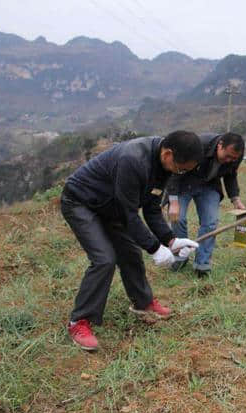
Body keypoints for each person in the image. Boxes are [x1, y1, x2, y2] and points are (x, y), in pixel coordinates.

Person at [61, 131, 203, 351]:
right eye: (181, 168)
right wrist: (155, 248)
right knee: (104, 259)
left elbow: (152, 208)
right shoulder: (133, 159)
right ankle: (79, 321)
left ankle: (143, 303)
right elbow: (129, 214)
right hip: (81, 202)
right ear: (168, 153)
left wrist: (171, 240)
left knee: (130, 253)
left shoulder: (164, 167)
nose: (181, 172)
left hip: (111, 207)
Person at [166, 132, 246, 277]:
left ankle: (202, 264)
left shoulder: (236, 155)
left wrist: (235, 199)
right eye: (227, 156)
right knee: (178, 218)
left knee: (210, 223)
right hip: (184, 182)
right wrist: (173, 201)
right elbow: (175, 171)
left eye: (233, 158)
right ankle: (179, 256)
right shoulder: (198, 145)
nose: (229, 160)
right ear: (220, 145)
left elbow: (231, 175)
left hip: (209, 185)